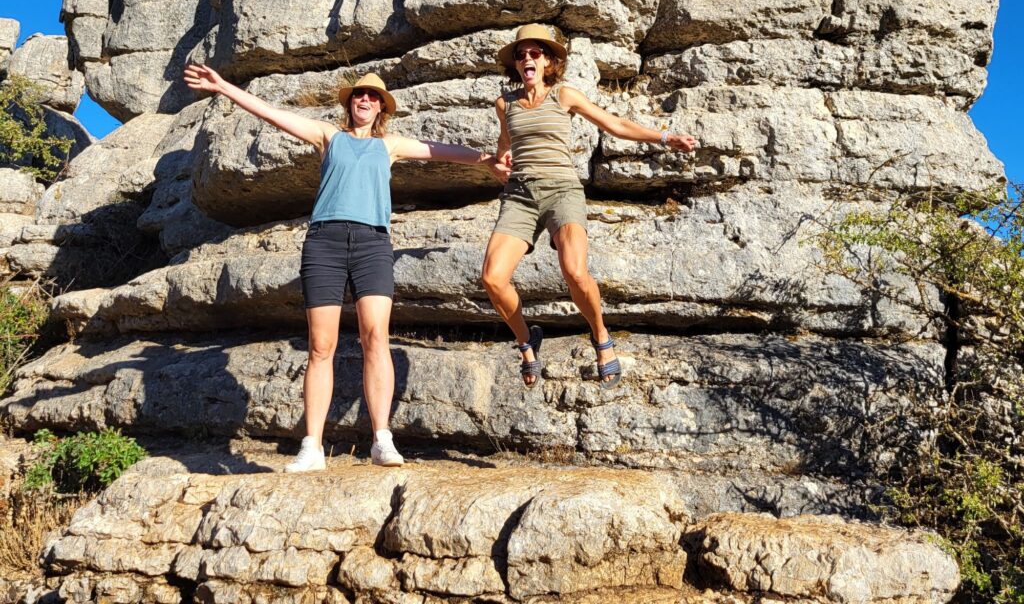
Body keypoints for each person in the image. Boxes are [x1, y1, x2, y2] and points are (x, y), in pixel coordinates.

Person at [184, 63, 509, 472]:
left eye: (374, 98)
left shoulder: (388, 146)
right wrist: (223, 84)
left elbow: (438, 149)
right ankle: (313, 447)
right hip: (325, 243)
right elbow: (269, 112)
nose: (366, 100)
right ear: (351, 102)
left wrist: (487, 161)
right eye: (360, 95)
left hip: (372, 244)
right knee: (322, 346)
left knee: (376, 336)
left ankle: (381, 439)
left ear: (381, 109)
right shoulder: (328, 136)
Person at [481, 24, 696, 390]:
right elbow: (505, 143)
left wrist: (663, 136)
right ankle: (526, 340)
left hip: (563, 190)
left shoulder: (564, 96)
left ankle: (601, 337)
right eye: (521, 54)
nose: (527, 59)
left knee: (575, 272)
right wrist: (497, 161)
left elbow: (613, 124)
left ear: (548, 61)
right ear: (515, 64)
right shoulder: (506, 104)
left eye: (535, 53)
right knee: (492, 278)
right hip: (520, 195)